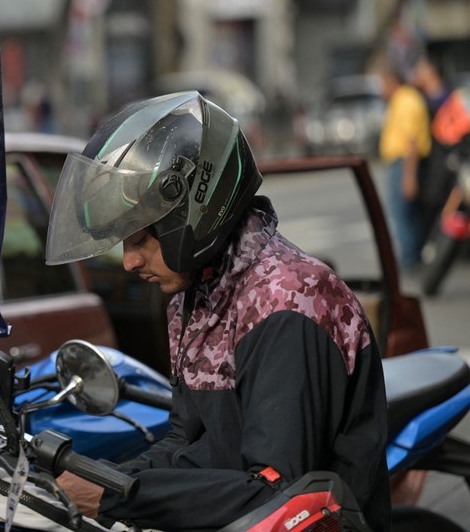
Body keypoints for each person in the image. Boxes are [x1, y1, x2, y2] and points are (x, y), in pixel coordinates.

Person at [44, 92, 391, 531]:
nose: (129, 262)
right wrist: (107, 478)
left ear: (190, 217)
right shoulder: (199, 292)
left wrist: (119, 500)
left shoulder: (288, 305)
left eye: (139, 239)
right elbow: (188, 441)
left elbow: (278, 491)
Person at [376, 60, 432, 271]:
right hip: (399, 163)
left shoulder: (407, 100)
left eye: (382, 83)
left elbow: (411, 142)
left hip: (403, 164)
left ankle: (411, 259)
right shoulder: (401, 99)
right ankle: (412, 256)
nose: (381, 89)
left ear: (391, 81)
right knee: (405, 215)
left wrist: (409, 177)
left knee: (403, 215)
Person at [410, 56, 453, 244]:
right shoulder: (422, 99)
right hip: (430, 163)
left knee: (437, 202)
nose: (415, 75)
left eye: (420, 71)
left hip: (442, 163)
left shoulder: (445, 99)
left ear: (431, 73)